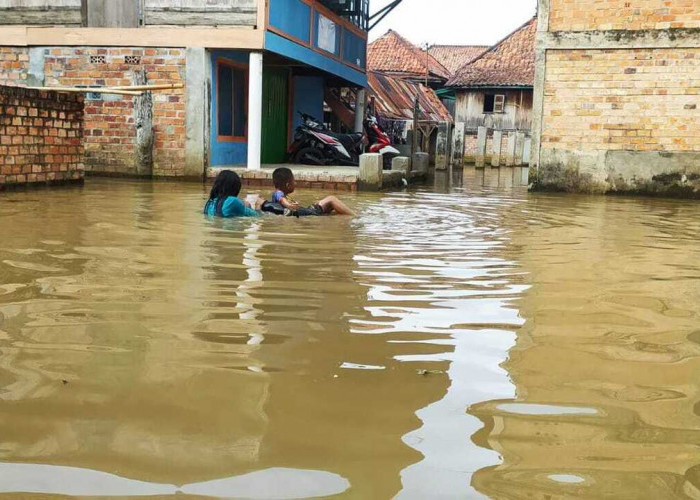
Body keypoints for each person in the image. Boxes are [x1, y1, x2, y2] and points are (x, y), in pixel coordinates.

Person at [270, 167, 355, 216]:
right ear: (288, 185)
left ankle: (346, 215)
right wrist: (288, 204)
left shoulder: (279, 194)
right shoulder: (278, 193)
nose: (295, 183)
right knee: (331, 199)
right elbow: (281, 199)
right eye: (294, 181)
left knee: (333, 211)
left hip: (308, 211)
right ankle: (354, 216)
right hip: (310, 212)